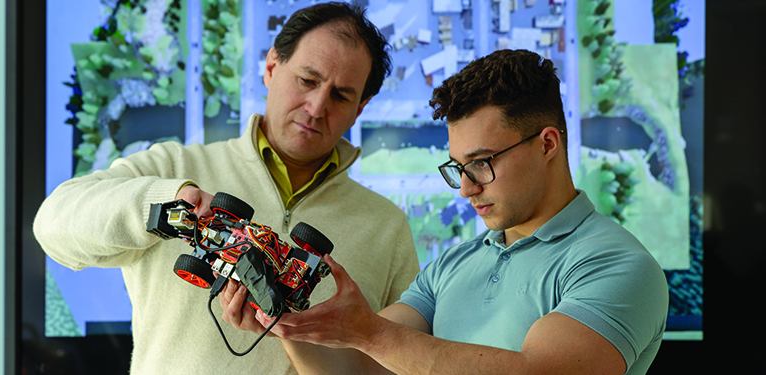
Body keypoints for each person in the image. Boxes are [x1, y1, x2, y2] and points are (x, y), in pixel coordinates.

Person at [223, 49, 669, 375]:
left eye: (481, 163)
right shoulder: (453, 265)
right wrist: (286, 322)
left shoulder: (619, 266)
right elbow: (360, 370)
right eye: (458, 168)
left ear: (547, 144)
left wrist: (369, 332)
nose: (467, 188)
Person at [33, 2, 420, 374]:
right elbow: (53, 223)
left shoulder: (386, 226)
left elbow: (405, 361)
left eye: (340, 95)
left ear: (361, 107)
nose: (317, 107)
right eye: (307, 80)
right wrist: (167, 206)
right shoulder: (176, 166)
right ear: (271, 66)